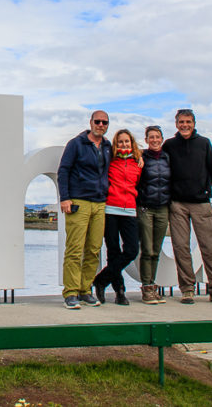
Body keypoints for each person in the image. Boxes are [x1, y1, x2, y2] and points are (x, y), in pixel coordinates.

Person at [163, 109, 212, 305]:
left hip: (202, 203)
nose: (184, 125)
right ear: (176, 124)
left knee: (210, 248)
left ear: (194, 123)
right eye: (181, 122)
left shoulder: (204, 143)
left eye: (188, 122)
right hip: (177, 204)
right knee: (181, 248)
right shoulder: (169, 145)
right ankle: (187, 290)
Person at [57, 110, 112, 309]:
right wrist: (65, 198)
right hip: (79, 201)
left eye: (104, 122)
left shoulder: (107, 146)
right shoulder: (76, 144)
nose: (100, 124)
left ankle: (85, 289)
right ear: (90, 122)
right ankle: (70, 292)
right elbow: (63, 170)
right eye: (97, 121)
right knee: (74, 249)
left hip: (100, 203)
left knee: (94, 249)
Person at [92, 129, 141, 305]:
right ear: (115, 144)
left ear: (132, 143)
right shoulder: (109, 161)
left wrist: (140, 155)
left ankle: (101, 280)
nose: (124, 144)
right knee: (113, 252)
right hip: (111, 209)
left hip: (129, 211)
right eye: (120, 142)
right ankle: (120, 293)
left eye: (127, 141)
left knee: (131, 250)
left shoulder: (138, 163)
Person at [136, 125, 171, 304]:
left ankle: (152, 284)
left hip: (163, 208)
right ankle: (146, 288)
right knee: (147, 249)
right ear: (146, 139)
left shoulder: (167, 157)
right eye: (151, 137)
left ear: (162, 139)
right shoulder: (141, 157)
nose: (155, 140)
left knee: (156, 250)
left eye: (157, 137)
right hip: (145, 208)